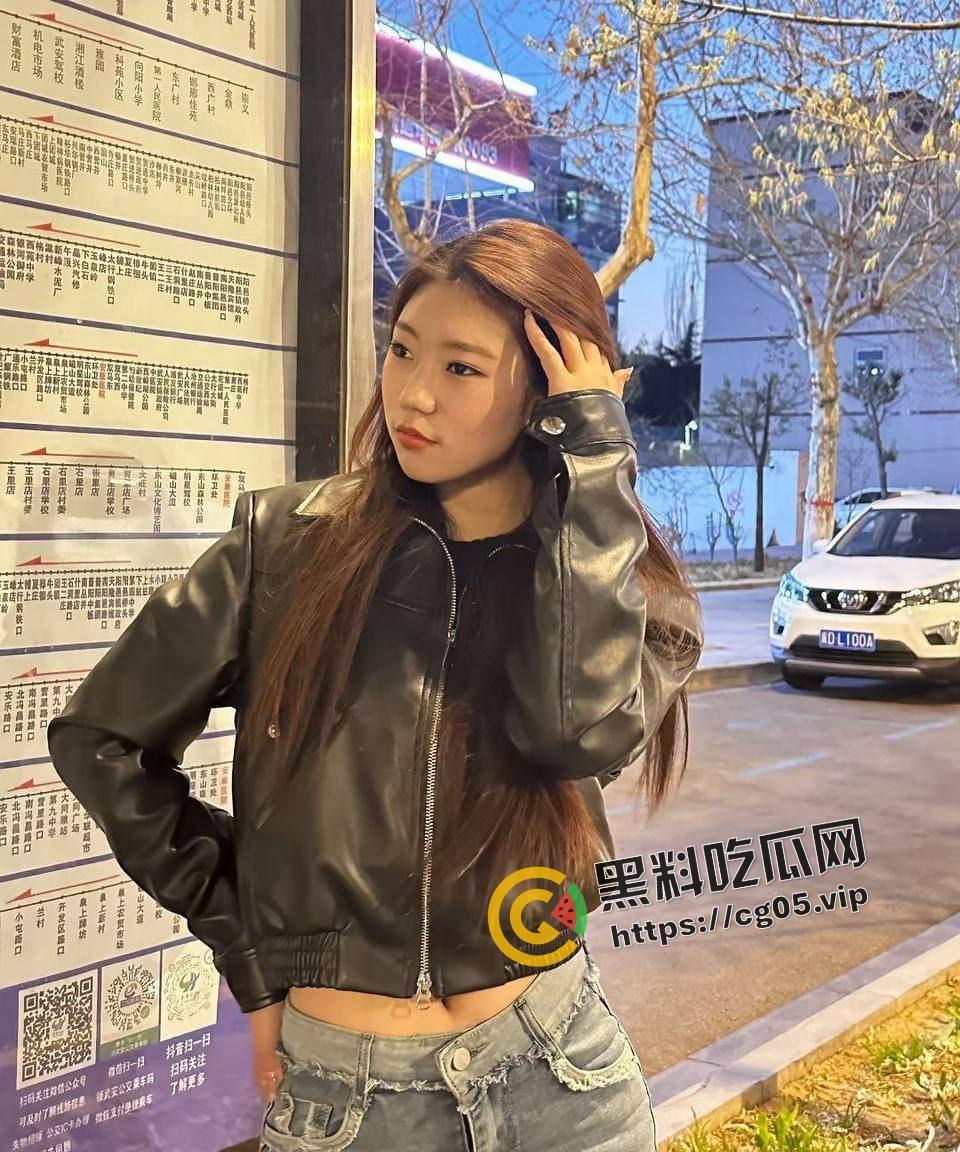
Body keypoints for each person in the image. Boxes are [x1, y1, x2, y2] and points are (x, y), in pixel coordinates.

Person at [47, 219, 704, 1151]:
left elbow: (574, 731)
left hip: (563, 1074)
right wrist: (247, 947)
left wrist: (593, 464)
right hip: (350, 1103)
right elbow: (102, 741)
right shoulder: (286, 547)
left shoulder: (619, 588)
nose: (413, 393)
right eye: (402, 350)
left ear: (549, 392)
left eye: (462, 367)